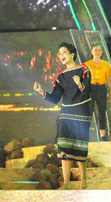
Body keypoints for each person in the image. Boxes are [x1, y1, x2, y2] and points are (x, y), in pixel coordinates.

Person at [33, 42, 91, 190]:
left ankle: (84, 181)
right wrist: (41, 91)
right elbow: (55, 98)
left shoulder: (83, 69)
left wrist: (80, 84)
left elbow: (88, 92)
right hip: (66, 114)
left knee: (79, 147)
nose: (61, 55)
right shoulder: (61, 75)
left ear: (72, 54)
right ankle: (66, 183)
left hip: (81, 113)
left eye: (64, 52)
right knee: (64, 147)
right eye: (59, 53)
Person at [85, 44, 111, 141]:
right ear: (91, 52)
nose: (97, 52)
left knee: (102, 112)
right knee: (89, 111)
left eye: (99, 50)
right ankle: (86, 135)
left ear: (101, 53)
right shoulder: (87, 64)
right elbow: (84, 78)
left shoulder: (105, 64)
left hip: (102, 87)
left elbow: (108, 78)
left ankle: (102, 136)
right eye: (95, 50)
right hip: (91, 88)